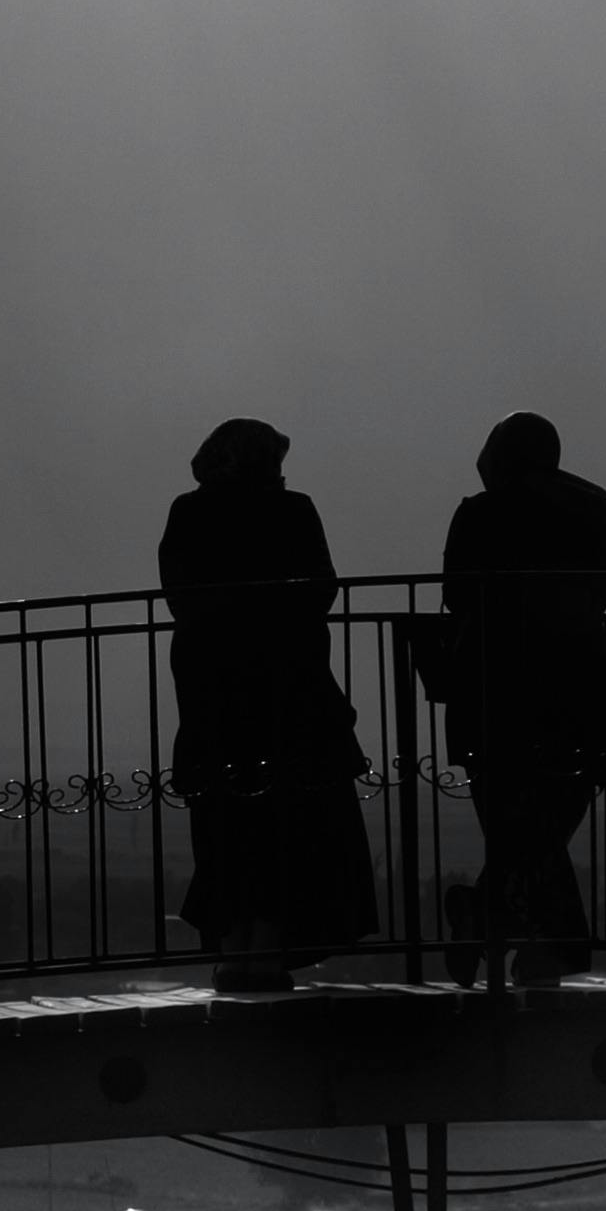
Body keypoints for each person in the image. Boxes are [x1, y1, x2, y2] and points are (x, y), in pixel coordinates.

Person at [158, 418, 381, 992]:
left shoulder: (190, 511)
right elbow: (320, 587)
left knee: (226, 826)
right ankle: (266, 952)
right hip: (288, 688)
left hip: (213, 689)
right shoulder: (292, 510)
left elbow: (180, 593)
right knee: (286, 825)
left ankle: (235, 954)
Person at [433, 412, 606, 986]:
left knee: (514, 825)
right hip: (576, 682)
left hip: (491, 686)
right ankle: (546, 946)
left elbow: (456, 593)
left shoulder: (479, 512)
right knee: (545, 825)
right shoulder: (589, 502)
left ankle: (511, 927)